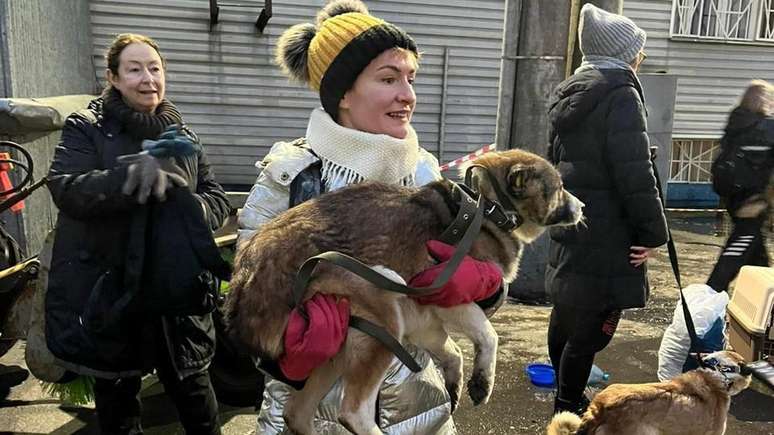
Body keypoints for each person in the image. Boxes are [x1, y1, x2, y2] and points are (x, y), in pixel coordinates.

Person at [235, 1, 504, 433]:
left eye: (410, 79)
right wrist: (286, 343)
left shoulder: (424, 173)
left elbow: (454, 290)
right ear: (343, 92)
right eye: (388, 78)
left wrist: (484, 286)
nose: (408, 95)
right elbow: (247, 288)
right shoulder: (291, 173)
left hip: (414, 410)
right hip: (314, 414)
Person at [46, 33, 230, 434]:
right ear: (113, 77)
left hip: (176, 296)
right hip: (114, 293)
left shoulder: (182, 134)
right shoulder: (88, 127)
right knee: (118, 405)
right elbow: (66, 187)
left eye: (155, 68)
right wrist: (129, 177)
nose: (148, 78)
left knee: (197, 399)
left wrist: (192, 206)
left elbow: (215, 197)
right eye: (134, 69)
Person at [544, 4, 669, 416]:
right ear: (624, 54)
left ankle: (564, 398)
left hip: (573, 223)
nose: (640, 59)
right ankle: (569, 407)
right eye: (639, 51)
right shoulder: (621, 93)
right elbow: (635, 175)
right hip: (611, 234)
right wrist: (652, 234)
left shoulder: (570, 93)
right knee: (593, 328)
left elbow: (554, 162)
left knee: (566, 314)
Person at [706, 80, 774, 292]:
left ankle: (762, 307)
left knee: (759, 267)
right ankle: (705, 302)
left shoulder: (736, 122)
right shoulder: (766, 127)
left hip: (734, 199)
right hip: (754, 204)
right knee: (728, 265)